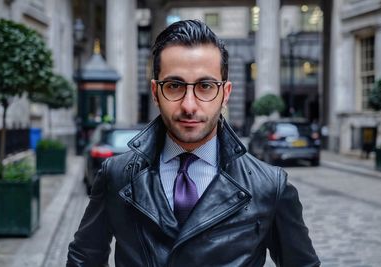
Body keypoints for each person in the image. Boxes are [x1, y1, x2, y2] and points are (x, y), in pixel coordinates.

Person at [67, 19, 320, 267]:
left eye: (206, 86)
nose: (189, 105)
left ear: (225, 93)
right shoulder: (117, 175)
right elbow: (83, 259)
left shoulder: (269, 187)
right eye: (175, 86)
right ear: (155, 93)